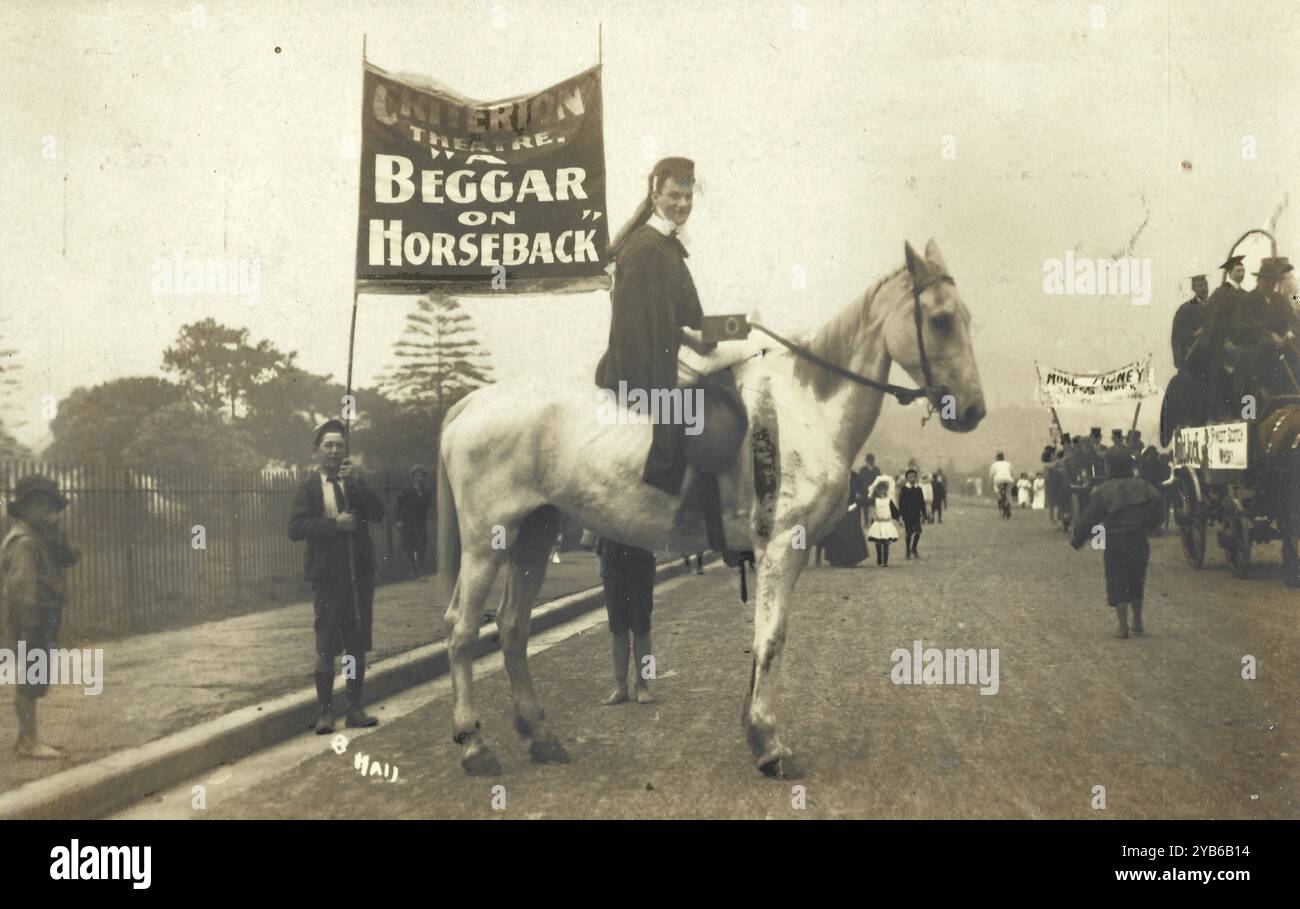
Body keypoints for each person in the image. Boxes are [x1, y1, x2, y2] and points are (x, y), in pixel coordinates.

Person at [595, 156, 713, 707]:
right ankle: (692, 512)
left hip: (666, 367)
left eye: (688, 197)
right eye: (673, 196)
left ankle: (637, 680)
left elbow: (690, 315)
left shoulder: (667, 248)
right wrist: (651, 398)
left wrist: (728, 329)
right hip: (646, 379)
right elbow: (635, 335)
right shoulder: (645, 248)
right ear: (655, 192)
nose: (681, 204)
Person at [288, 419, 386, 734]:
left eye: (339, 446)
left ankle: (354, 708)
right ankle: (325, 712)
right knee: (326, 645)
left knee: (356, 643)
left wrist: (357, 483)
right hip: (328, 578)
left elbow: (379, 513)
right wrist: (334, 525)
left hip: (359, 577)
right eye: (328, 445)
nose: (333, 450)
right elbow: (295, 528)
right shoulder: (308, 487)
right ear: (317, 451)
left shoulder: (353, 482)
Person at [2, 475, 80, 759]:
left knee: (37, 675)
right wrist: (28, 623)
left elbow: (70, 558)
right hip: (31, 616)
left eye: (49, 506)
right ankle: (27, 740)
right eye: (37, 504)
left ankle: (29, 738)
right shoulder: (23, 542)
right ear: (23, 508)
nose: (44, 511)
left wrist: (58, 533)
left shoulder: (42, 537)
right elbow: (21, 587)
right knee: (31, 678)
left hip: (43, 614)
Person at [1070, 448, 1165, 639]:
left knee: (1117, 580)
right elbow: (1159, 503)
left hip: (1115, 542)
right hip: (1138, 539)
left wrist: (1078, 539)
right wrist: (1148, 523)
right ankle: (1137, 620)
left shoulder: (1104, 490)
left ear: (1109, 467)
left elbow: (1089, 518)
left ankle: (1122, 628)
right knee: (1137, 579)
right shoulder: (1143, 486)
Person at [821, 473, 869, 567]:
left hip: (853, 509)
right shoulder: (837, 476)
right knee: (837, 533)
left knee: (852, 532)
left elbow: (863, 493)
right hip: (838, 508)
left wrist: (856, 503)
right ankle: (836, 559)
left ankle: (852, 560)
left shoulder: (856, 477)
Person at [395, 465, 433, 578]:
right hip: (407, 522)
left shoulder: (426, 493)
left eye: (421, 476)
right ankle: (413, 569)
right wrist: (398, 520)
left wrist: (420, 494)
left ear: (424, 478)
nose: (419, 478)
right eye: (416, 476)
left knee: (422, 546)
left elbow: (427, 505)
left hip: (419, 523)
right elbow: (398, 506)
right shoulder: (406, 491)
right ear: (413, 478)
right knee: (409, 546)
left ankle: (421, 570)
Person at [1171, 274, 1208, 371]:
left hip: (1211, 359)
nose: (1204, 288)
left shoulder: (1214, 307)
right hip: (1193, 359)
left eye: (1205, 285)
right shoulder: (1185, 308)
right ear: (1193, 288)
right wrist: (1194, 333)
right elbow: (1177, 334)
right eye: (1200, 286)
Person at [866, 480, 901, 566]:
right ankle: (879, 556)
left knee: (886, 542)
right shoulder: (875, 500)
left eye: (884, 489)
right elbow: (869, 507)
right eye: (880, 490)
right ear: (877, 491)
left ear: (886, 490)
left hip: (886, 524)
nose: (882, 491)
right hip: (878, 523)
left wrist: (898, 520)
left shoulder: (889, 500)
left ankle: (885, 561)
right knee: (878, 541)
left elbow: (894, 511)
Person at [898, 469, 926, 560]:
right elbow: (901, 503)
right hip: (907, 514)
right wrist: (901, 515)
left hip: (917, 514)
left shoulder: (919, 489)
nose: (912, 478)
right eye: (910, 477)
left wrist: (924, 513)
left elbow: (922, 502)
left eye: (914, 476)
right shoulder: (904, 489)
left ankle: (914, 548)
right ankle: (907, 550)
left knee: (918, 532)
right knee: (909, 533)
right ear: (906, 478)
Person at [989, 451, 1014, 517]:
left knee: (996, 489)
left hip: (998, 480)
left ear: (997, 458)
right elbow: (1012, 473)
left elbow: (991, 476)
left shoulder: (994, 464)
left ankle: (1000, 498)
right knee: (1008, 494)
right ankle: (1008, 506)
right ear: (1003, 457)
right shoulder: (1008, 463)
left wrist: (990, 485)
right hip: (1008, 480)